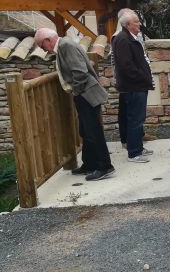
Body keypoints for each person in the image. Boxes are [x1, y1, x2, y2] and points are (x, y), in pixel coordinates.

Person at [34, 28, 114, 181]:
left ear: (47, 40)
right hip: (85, 93)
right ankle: (89, 164)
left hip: (85, 93)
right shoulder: (64, 44)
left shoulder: (65, 46)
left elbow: (80, 72)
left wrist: (76, 91)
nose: (45, 50)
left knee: (93, 131)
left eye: (42, 46)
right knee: (85, 130)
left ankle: (105, 166)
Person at [111, 9, 154, 163]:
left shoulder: (129, 37)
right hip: (133, 86)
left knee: (138, 118)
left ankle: (138, 148)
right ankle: (134, 152)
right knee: (135, 119)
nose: (140, 24)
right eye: (136, 22)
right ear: (128, 24)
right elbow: (125, 66)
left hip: (137, 85)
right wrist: (141, 77)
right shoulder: (123, 39)